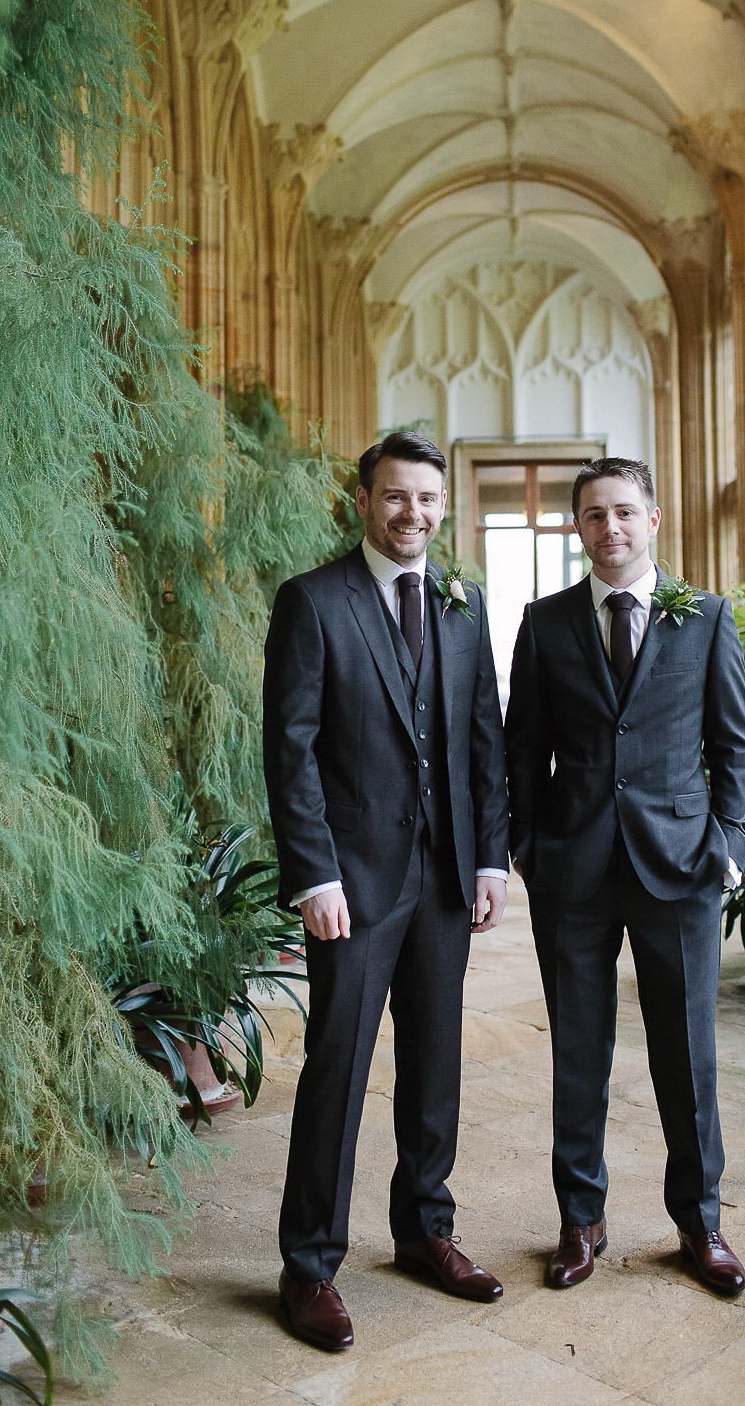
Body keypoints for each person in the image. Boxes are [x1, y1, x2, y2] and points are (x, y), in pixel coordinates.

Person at [263, 430, 510, 1353]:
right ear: (361, 500)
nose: (415, 514)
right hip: (353, 883)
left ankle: (425, 1231)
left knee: (435, 1063)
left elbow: (481, 736)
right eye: (397, 497)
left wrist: (490, 858)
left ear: (444, 507)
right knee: (338, 1068)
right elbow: (288, 750)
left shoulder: (461, 602)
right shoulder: (313, 602)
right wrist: (314, 872)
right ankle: (309, 1264)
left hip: (444, 876)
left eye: (429, 500)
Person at [504, 456, 745, 1296]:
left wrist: (730, 844)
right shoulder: (543, 624)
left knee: (687, 1054)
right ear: (578, 529)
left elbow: (734, 748)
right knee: (579, 1050)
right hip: (572, 869)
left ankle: (700, 1222)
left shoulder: (709, 619)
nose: (608, 529)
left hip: (680, 868)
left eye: (623, 513)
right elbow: (521, 748)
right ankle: (581, 1218)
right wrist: (530, 848)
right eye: (592, 516)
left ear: (653, 518)